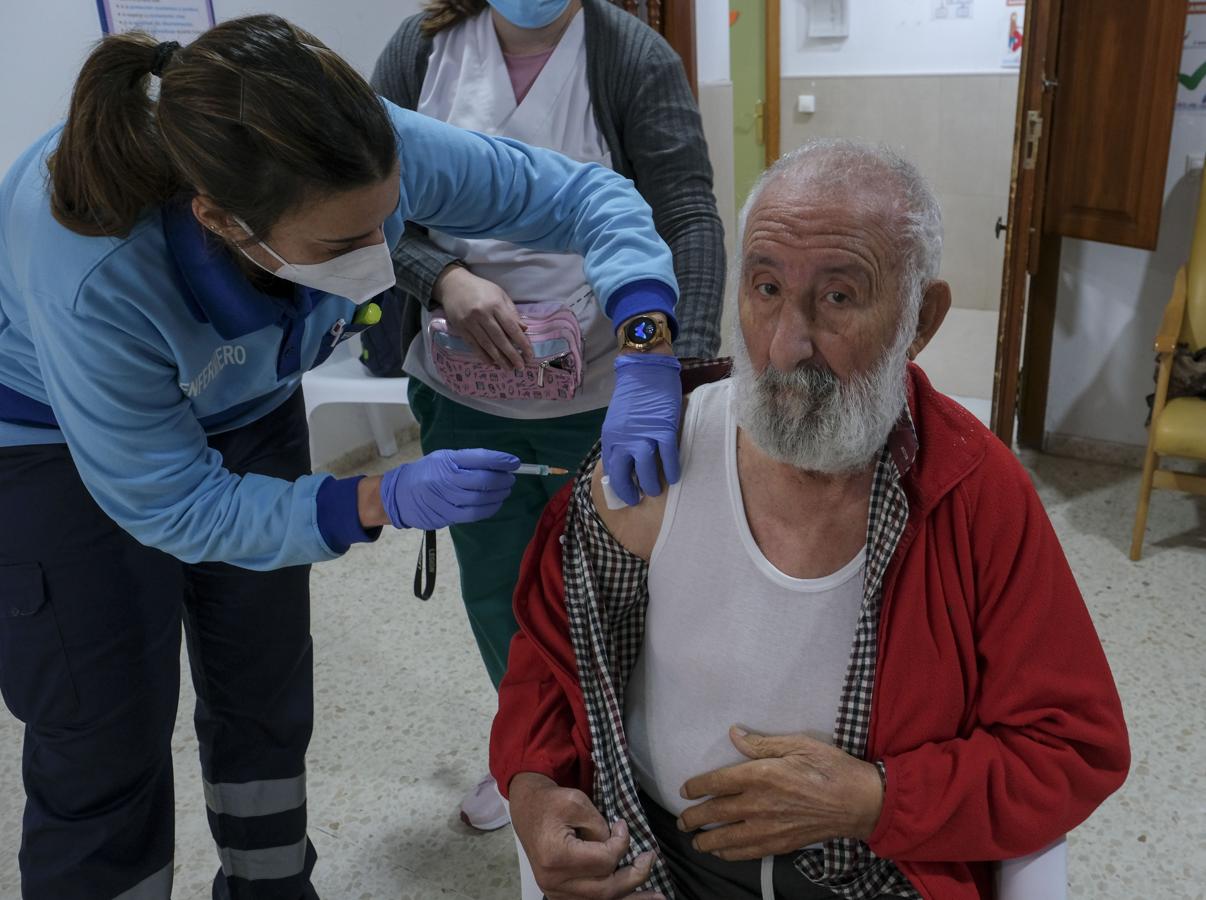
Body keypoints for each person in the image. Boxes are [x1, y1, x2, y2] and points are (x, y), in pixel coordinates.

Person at [0, 14, 685, 900]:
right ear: (221, 220)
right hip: (54, 438)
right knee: (104, 727)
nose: (379, 258)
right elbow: (172, 504)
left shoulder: (367, 145)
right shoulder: (94, 259)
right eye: (341, 244)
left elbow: (591, 197)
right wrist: (374, 502)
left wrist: (646, 341)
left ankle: (273, 887)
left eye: (385, 224)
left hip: (247, 401)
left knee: (264, 687)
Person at [489, 140, 1131, 900]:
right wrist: (530, 789)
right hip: (654, 862)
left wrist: (878, 799)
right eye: (764, 288)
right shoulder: (658, 454)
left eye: (837, 298)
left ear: (920, 319)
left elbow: (1071, 747)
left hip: (881, 868)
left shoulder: (971, 492)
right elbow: (550, 656)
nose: (785, 346)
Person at [371, 0, 724, 828]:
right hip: (463, 387)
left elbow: (687, 218)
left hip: (604, 382)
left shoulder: (627, 56)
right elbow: (367, 205)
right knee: (497, 587)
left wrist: (675, 365)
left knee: (614, 585)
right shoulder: (422, 52)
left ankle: (628, 756)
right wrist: (444, 278)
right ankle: (532, 756)